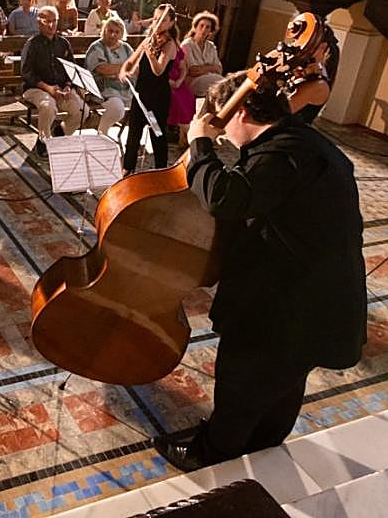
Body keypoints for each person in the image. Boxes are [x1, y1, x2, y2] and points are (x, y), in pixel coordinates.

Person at [153, 72, 366, 471]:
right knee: (283, 385)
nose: (221, 129)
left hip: (286, 304)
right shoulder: (303, 142)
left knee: (242, 383)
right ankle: (264, 449)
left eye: (223, 118)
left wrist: (199, 141)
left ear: (244, 109)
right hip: (316, 299)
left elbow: (225, 198)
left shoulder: (281, 155)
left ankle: (211, 456)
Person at [119, 3, 178, 173]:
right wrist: (125, 71)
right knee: (134, 133)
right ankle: (127, 168)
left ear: (171, 23)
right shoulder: (148, 39)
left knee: (157, 134)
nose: (158, 23)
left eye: (163, 20)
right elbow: (131, 61)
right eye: (156, 19)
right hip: (141, 94)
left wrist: (151, 54)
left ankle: (161, 171)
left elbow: (159, 70)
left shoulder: (169, 44)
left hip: (157, 98)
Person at [21, 6, 86, 157]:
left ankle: (60, 133)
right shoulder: (32, 44)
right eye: (47, 21)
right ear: (39, 22)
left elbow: (72, 69)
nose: (51, 25)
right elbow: (27, 73)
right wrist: (48, 88)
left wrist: (69, 86)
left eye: (54, 21)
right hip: (36, 88)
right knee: (48, 107)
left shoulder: (64, 43)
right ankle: (43, 141)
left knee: (82, 111)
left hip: (61, 89)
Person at [83, 16, 133, 138]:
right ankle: (102, 134)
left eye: (117, 32)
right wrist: (125, 67)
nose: (113, 35)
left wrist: (118, 71)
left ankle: (133, 142)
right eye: (110, 31)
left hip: (126, 89)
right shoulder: (97, 47)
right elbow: (103, 69)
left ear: (122, 33)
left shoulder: (126, 48)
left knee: (144, 106)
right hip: (102, 89)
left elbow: (136, 66)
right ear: (104, 30)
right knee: (117, 109)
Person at [182, 11, 226, 99]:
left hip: (211, 81)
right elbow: (193, 71)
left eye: (207, 27)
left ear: (211, 31)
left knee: (223, 85)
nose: (204, 30)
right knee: (220, 85)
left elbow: (219, 69)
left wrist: (203, 68)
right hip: (193, 83)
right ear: (195, 27)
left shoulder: (211, 46)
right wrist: (210, 67)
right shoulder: (187, 45)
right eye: (201, 26)